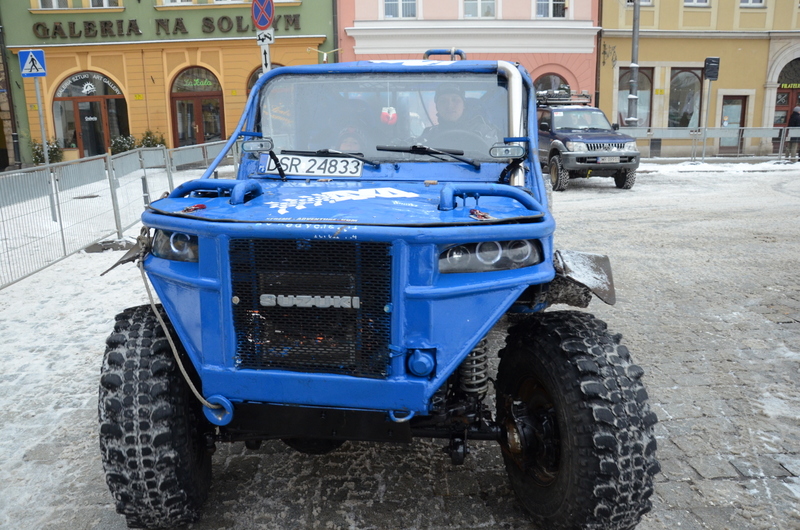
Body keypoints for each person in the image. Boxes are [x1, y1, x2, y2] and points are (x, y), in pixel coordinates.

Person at [420, 84, 498, 150]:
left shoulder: (484, 133)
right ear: (437, 107)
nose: (449, 106)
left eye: (455, 100)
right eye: (443, 101)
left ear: (464, 105)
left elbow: (495, 159)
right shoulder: (428, 135)